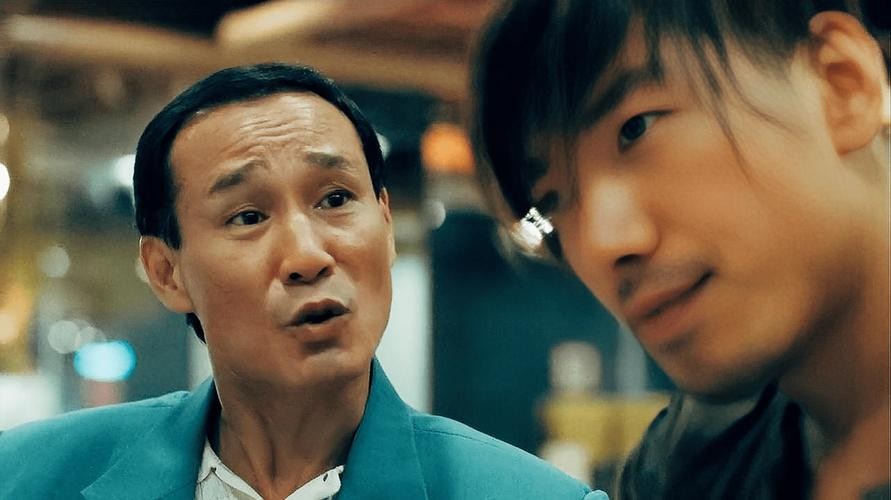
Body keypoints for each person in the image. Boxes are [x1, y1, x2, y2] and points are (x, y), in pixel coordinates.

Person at [0, 63, 608, 500]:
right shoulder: (28, 477)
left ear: (387, 225)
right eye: (248, 216)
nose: (307, 255)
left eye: (336, 199)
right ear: (166, 271)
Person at [471, 1, 890, 499]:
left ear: (842, 85)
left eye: (637, 127)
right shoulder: (681, 464)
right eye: (552, 201)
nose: (604, 243)